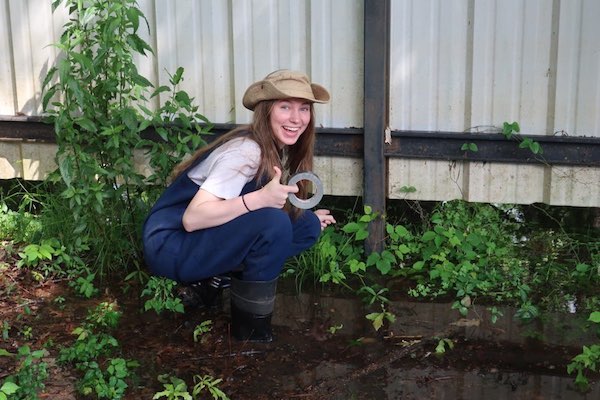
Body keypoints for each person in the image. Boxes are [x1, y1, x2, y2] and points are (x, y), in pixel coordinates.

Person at [142, 69, 336, 342]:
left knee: (306, 227)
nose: (296, 118)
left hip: (192, 241)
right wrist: (260, 200)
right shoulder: (247, 151)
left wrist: (307, 216)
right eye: (285, 107)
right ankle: (251, 334)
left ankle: (210, 281)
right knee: (275, 223)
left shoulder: (272, 145)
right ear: (266, 111)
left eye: (304, 109)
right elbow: (193, 218)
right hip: (169, 246)